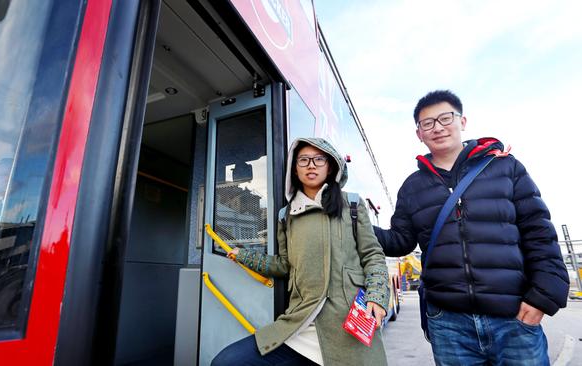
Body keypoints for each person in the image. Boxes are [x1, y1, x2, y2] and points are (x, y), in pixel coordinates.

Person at [374, 90, 569, 365]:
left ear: (462, 121)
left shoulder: (505, 167)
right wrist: (353, 223)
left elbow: (538, 232)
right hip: (449, 323)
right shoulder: (412, 186)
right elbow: (400, 241)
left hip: (513, 317)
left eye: (445, 118)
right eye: (427, 123)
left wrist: (543, 296)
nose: (438, 127)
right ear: (419, 133)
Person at [212, 137, 390, 366]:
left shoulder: (352, 205)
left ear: (330, 166)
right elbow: (285, 265)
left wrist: (377, 296)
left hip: (346, 323)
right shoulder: (286, 216)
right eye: (303, 160)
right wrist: (244, 256)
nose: (311, 165)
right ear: (294, 170)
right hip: (300, 323)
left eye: (319, 159)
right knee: (227, 362)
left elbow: (373, 255)